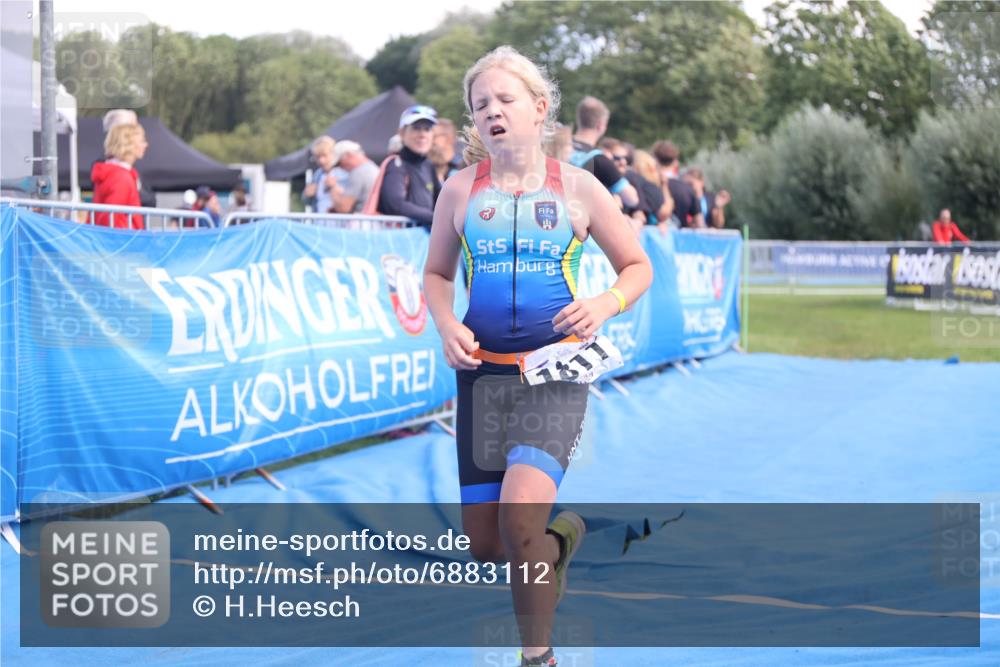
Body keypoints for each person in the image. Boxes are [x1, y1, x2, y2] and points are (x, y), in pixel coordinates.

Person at [423, 45, 653, 666]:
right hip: (483, 379)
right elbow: (436, 275)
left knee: (519, 520)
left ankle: (538, 657)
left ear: (540, 107)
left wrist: (604, 304)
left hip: (553, 376)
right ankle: (558, 545)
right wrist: (446, 323)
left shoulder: (578, 187)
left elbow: (637, 266)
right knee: (488, 545)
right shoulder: (458, 191)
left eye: (505, 99)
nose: (493, 112)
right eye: (481, 105)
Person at [569, 96, 639, 208]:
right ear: (601, 126)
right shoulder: (599, 160)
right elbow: (632, 199)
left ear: (579, 120)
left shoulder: (556, 147)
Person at [377, 104, 441, 227]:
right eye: (416, 128)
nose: (422, 134)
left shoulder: (428, 165)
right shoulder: (396, 165)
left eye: (427, 129)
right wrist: (435, 218)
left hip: (425, 235)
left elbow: (441, 199)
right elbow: (396, 205)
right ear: (401, 133)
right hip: (401, 236)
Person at [91, 123, 147, 229]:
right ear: (129, 144)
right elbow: (112, 218)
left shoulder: (112, 173)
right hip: (124, 237)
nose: (145, 145)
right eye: (141, 141)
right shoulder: (121, 177)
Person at [651, 139, 702, 228]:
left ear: (655, 159)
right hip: (678, 236)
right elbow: (699, 223)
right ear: (675, 161)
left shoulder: (649, 185)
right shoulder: (687, 189)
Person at [329, 141, 378, 214]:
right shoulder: (373, 167)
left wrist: (332, 187)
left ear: (349, 155)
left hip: (360, 218)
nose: (341, 168)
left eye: (340, 163)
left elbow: (344, 208)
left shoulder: (358, 173)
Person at [302, 136, 338, 213]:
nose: (321, 160)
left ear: (333, 154)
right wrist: (307, 195)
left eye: (324, 156)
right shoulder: (317, 174)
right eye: (318, 157)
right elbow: (307, 201)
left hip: (338, 219)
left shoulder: (343, 172)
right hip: (319, 219)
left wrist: (334, 187)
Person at [431, 118, 464, 183]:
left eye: (434, 136)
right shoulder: (427, 166)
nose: (431, 140)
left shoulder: (465, 166)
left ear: (449, 138)